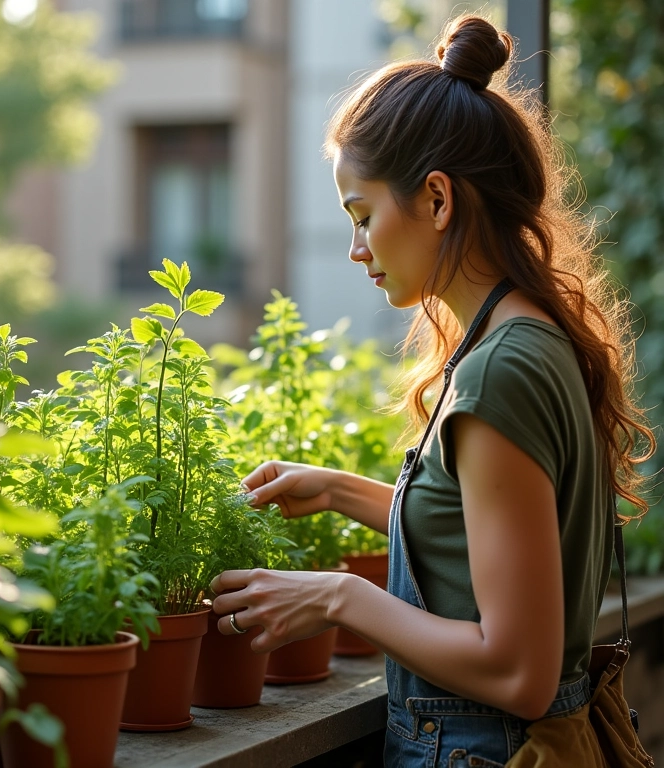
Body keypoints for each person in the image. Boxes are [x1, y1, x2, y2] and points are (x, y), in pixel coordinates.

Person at [210, 13, 655, 766]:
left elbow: (519, 671)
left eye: (363, 216)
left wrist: (336, 596)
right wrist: (344, 491)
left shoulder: (498, 372)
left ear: (439, 200)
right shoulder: (526, 335)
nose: (356, 250)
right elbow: (491, 542)